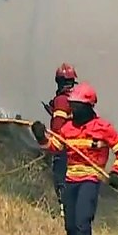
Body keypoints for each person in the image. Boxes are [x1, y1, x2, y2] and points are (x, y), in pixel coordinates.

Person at [30, 82, 118, 235]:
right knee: (70, 226)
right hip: (70, 181)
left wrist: (116, 171)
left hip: (90, 180)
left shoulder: (103, 128)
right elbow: (54, 147)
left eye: (75, 105)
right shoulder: (67, 129)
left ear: (87, 106)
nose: (71, 107)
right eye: (71, 104)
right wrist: (41, 137)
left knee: (83, 220)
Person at [42, 63, 78, 214]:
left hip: (64, 148)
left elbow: (58, 128)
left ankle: (65, 211)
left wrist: (49, 145)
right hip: (79, 148)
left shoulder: (61, 101)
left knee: (60, 179)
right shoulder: (79, 100)